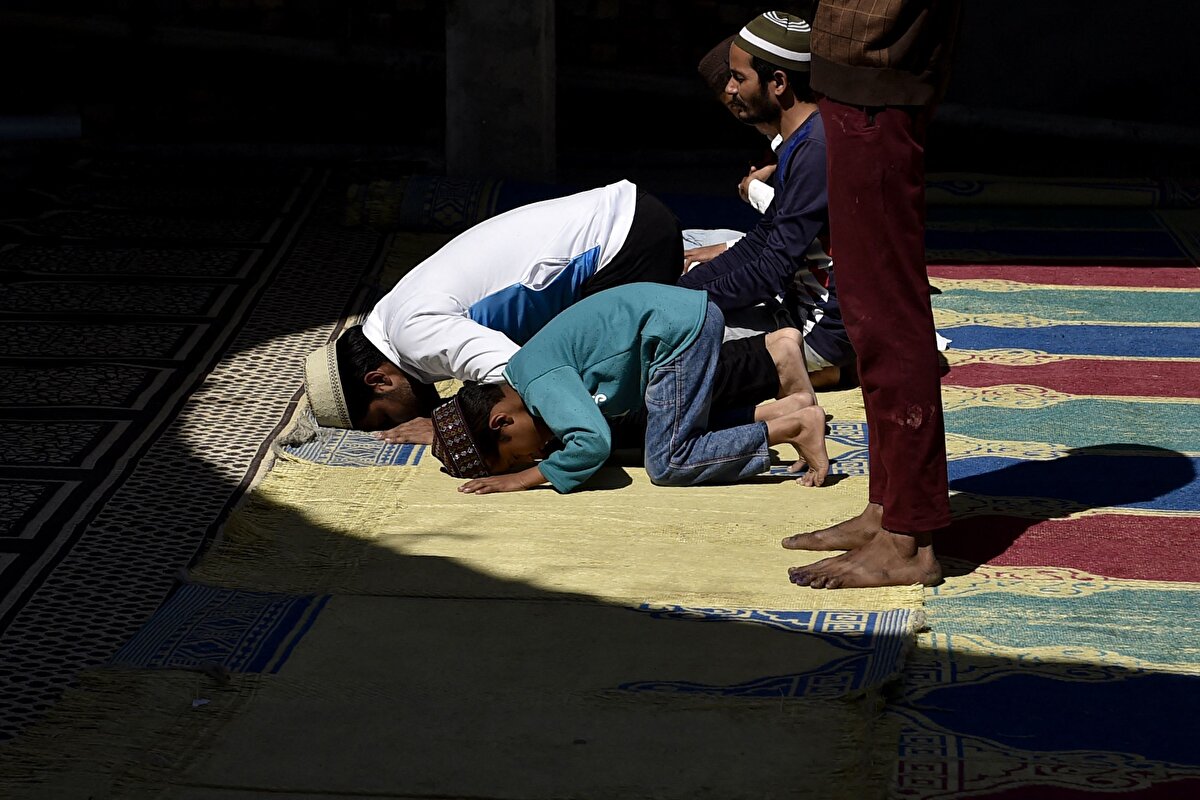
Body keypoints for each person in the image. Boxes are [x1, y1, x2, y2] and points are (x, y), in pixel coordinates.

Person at [782, 0, 962, 590]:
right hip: (859, 80)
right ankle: (887, 509)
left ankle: (909, 537)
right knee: (865, 309)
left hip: (878, 86)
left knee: (888, 315)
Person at [302, 179, 683, 443]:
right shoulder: (388, 316)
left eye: (386, 417)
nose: (400, 423)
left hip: (628, 243)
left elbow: (527, 374)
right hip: (632, 220)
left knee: (604, 414)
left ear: (378, 381)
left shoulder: (412, 334)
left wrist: (452, 429)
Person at [428, 283, 831, 494]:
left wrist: (525, 479)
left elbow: (593, 443)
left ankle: (793, 428)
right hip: (673, 322)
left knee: (668, 462)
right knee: (659, 432)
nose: (535, 455)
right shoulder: (527, 374)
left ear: (502, 420)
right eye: (523, 463)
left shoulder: (537, 383)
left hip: (672, 332)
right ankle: (783, 412)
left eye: (518, 454)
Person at [678, 11, 854, 391]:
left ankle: (829, 371)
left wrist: (679, 308)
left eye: (739, 79)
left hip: (817, 334)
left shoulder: (815, 150)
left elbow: (768, 270)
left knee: (672, 370)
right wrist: (681, 295)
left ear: (778, 82)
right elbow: (763, 239)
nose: (729, 90)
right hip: (791, 310)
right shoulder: (802, 142)